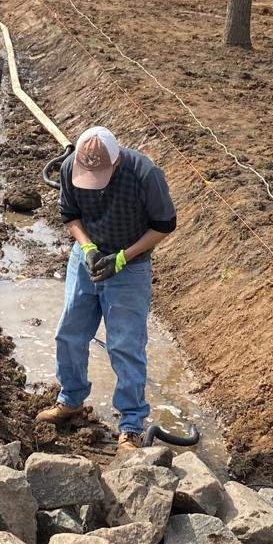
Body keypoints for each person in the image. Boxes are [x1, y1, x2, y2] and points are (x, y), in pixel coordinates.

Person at [37, 126, 177, 453]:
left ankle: (130, 426)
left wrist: (123, 258)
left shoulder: (145, 175)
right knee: (69, 331)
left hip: (131, 265)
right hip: (88, 257)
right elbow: (70, 215)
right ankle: (70, 400)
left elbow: (164, 225)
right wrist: (86, 248)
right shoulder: (71, 166)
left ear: (116, 162)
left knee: (125, 345)